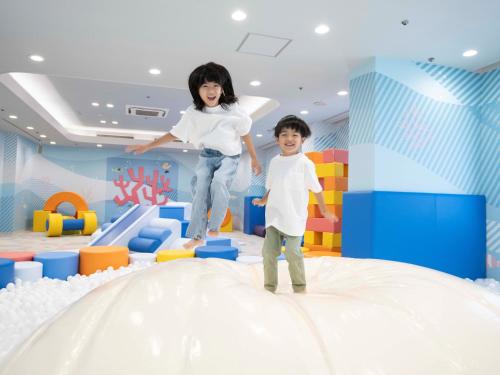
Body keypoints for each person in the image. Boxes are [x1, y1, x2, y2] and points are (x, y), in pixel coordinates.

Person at [127, 62, 261, 248]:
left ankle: (215, 225)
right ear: (197, 90)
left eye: (215, 85)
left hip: (230, 156)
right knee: (199, 191)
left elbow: (245, 133)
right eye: (205, 86)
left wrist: (254, 158)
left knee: (220, 182)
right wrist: (149, 145)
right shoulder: (194, 112)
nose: (210, 90)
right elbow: (175, 133)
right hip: (207, 156)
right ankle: (198, 236)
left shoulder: (233, 110)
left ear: (222, 88)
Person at [253, 115, 338, 293]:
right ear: (277, 139)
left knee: (292, 252)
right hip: (274, 216)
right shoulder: (275, 162)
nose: (289, 139)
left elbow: (316, 189)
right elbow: (271, 186)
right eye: (284, 134)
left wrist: (324, 210)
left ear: (303, 139)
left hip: (294, 217)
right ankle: (269, 287)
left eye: (295, 135)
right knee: (268, 253)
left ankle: (299, 287)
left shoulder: (305, 163)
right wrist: (263, 200)